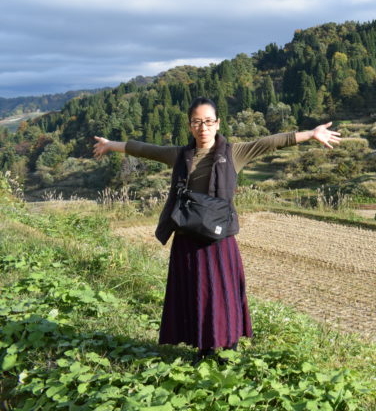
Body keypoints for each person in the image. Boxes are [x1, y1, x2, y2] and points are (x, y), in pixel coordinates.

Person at [93, 96, 341, 362]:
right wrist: (111, 146)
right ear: (190, 126)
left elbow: (271, 142)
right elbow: (144, 148)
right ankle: (204, 347)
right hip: (188, 235)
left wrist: (312, 134)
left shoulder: (234, 153)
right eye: (197, 122)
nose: (203, 128)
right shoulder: (179, 155)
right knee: (195, 292)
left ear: (217, 123)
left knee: (224, 292)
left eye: (208, 122)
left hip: (218, 237)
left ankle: (228, 344)